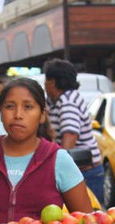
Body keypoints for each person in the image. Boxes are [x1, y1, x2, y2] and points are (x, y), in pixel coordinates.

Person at [0, 78, 92, 224]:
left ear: (42, 115)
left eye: (28, 107)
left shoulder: (58, 159)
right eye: (10, 106)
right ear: (1, 112)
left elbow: (87, 223)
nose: (18, 115)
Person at [42, 59, 104, 204]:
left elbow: (70, 136)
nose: (44, 86)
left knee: (88, 220)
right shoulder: (57, 100)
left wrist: (57, 165)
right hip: (81, 170)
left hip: (84, 172)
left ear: (52, 82)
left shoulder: (68, 102)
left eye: (46, 80)